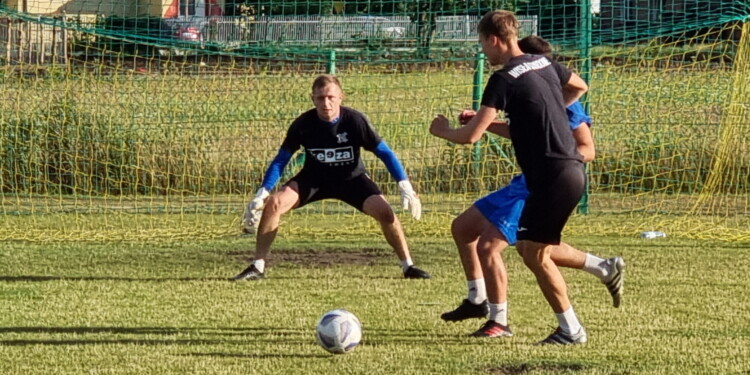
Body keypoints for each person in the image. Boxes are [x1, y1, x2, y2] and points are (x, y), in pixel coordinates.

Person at [437, 35, 625, 339]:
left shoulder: (560, 100)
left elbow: (587, 149)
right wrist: (484, 123)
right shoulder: (526, 86)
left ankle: (501, 321)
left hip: (546, 181)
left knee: (495, 247)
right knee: (464, 228)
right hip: (527, 180)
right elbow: (523, 128)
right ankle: (477, 300)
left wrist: (559, 162)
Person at [234, 74, 431, 281]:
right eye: (320, 98)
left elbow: (385, 153)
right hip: (313, 180)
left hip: (351, 180)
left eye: (330, 97)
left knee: (385, 212)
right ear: (313, 99)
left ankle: (408, 267)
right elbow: (281, 159)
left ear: (340, 97)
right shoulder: (303, 124)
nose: (326, 103)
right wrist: (262, 192)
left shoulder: (355, 121)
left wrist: (405, 185)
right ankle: (258, 267)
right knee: (274, 203)